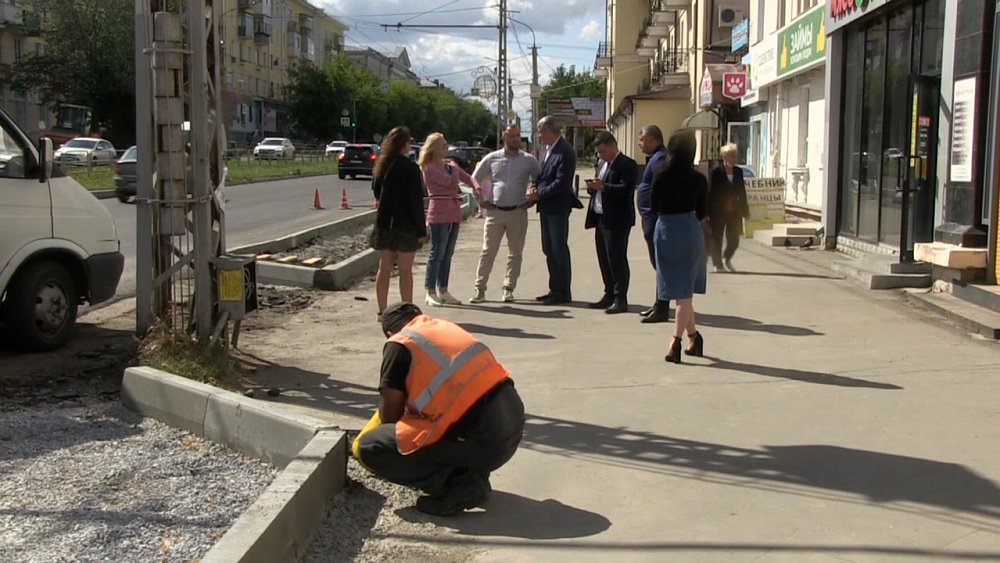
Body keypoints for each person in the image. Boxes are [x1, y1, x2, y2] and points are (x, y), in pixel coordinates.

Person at [354, 302, 526, 516]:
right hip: (509, 431)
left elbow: (390, 415)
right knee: (446, 425)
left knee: (372, 446)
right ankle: (469, 473)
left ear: (389, 333)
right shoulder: (443, 328)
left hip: (484, 442)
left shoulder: (400, 343)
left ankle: (457, 485)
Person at [650, 130, 708, 364]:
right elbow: (703, 211)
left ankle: (676, 341)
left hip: (665, 230)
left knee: (680, 292)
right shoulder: (699, 179)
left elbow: (653, 205)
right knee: (684, 292)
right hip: (690, 231)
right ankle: (693, 336)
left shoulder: (660, 173)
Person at [469, 125, 540, 304]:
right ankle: (480, 289)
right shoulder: (492, 158)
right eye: (512, 136)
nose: (516, 139)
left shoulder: (529, 160)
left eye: (518, 136)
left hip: (518, 212)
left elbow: (540, 180)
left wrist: (532, 199)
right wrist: (481, 201)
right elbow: (474, 180)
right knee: (488, 251)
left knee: (515, 253)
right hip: (495, 212)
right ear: (504, 138)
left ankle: (508, 288)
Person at [371, 127, 426, 321]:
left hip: (385, 223)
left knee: (384, 268)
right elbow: (415, 201)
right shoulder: (410, 168)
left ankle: (382, 311)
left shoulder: (382, 165)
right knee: (405, 271)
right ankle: (407, 311)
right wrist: (421, 229)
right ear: (404, 144)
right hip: (406, 226)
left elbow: (376, 191)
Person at [419, 132, 477, 307]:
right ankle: (430, 291)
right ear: (434, 148)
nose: (447, 148)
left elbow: (467, 177)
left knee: (448, 253)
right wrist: (454, 170)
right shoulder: (428, 167)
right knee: (437, 252)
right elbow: (449, 182)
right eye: (443, 145)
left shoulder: (449, 166)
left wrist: (477, 186)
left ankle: (443, 289)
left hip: (453, 212)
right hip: (439, 212)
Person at [584, 131, 638, 314]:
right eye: (599, 152)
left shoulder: (627, 164)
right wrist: (592, 187)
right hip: (600, 217)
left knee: (616, 259)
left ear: (614, 146)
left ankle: (620, 298)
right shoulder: (602, 164)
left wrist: (604, 187)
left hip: (617, 220)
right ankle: (608, 294)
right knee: (604, 259)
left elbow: (626, 189)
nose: (601, 156)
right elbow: (598, 187)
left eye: (604, 151)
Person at [529, 116, 579, 305]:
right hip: (547, 207)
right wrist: (534, 187)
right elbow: (542, 175)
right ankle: (554, 289)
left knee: (558, 249)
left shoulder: (565, 151)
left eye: (540, 131)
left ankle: (563, 292)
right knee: (548, 248)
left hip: (557, 207)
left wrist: (540, 194)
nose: (539, 135)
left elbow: (561, 182)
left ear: (550, 130)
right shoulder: (548, 150)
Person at [636, 125, 672, 324]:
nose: (639, 144)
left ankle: (662, 306)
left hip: (654, 218)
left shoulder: (659, 159)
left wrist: (653, 214)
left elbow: (659, 189)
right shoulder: (655, 158)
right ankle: (659, 303)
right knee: (658, 264)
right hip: (650, 217)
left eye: (641, 140)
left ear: (652, 139)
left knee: (661, 264)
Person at [708, 143, 750, 273]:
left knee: (734, 238)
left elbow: (742, 191)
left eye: (735, 155)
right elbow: (710, 192)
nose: (734, 158)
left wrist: (745, 210)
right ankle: (718, 264)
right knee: (717, 238)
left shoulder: (738, 172)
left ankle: (727, 257)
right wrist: (707, 212)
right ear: (725, 157)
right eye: (732, 155)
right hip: (718, 210)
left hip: (734, 209)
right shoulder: (716, 172)